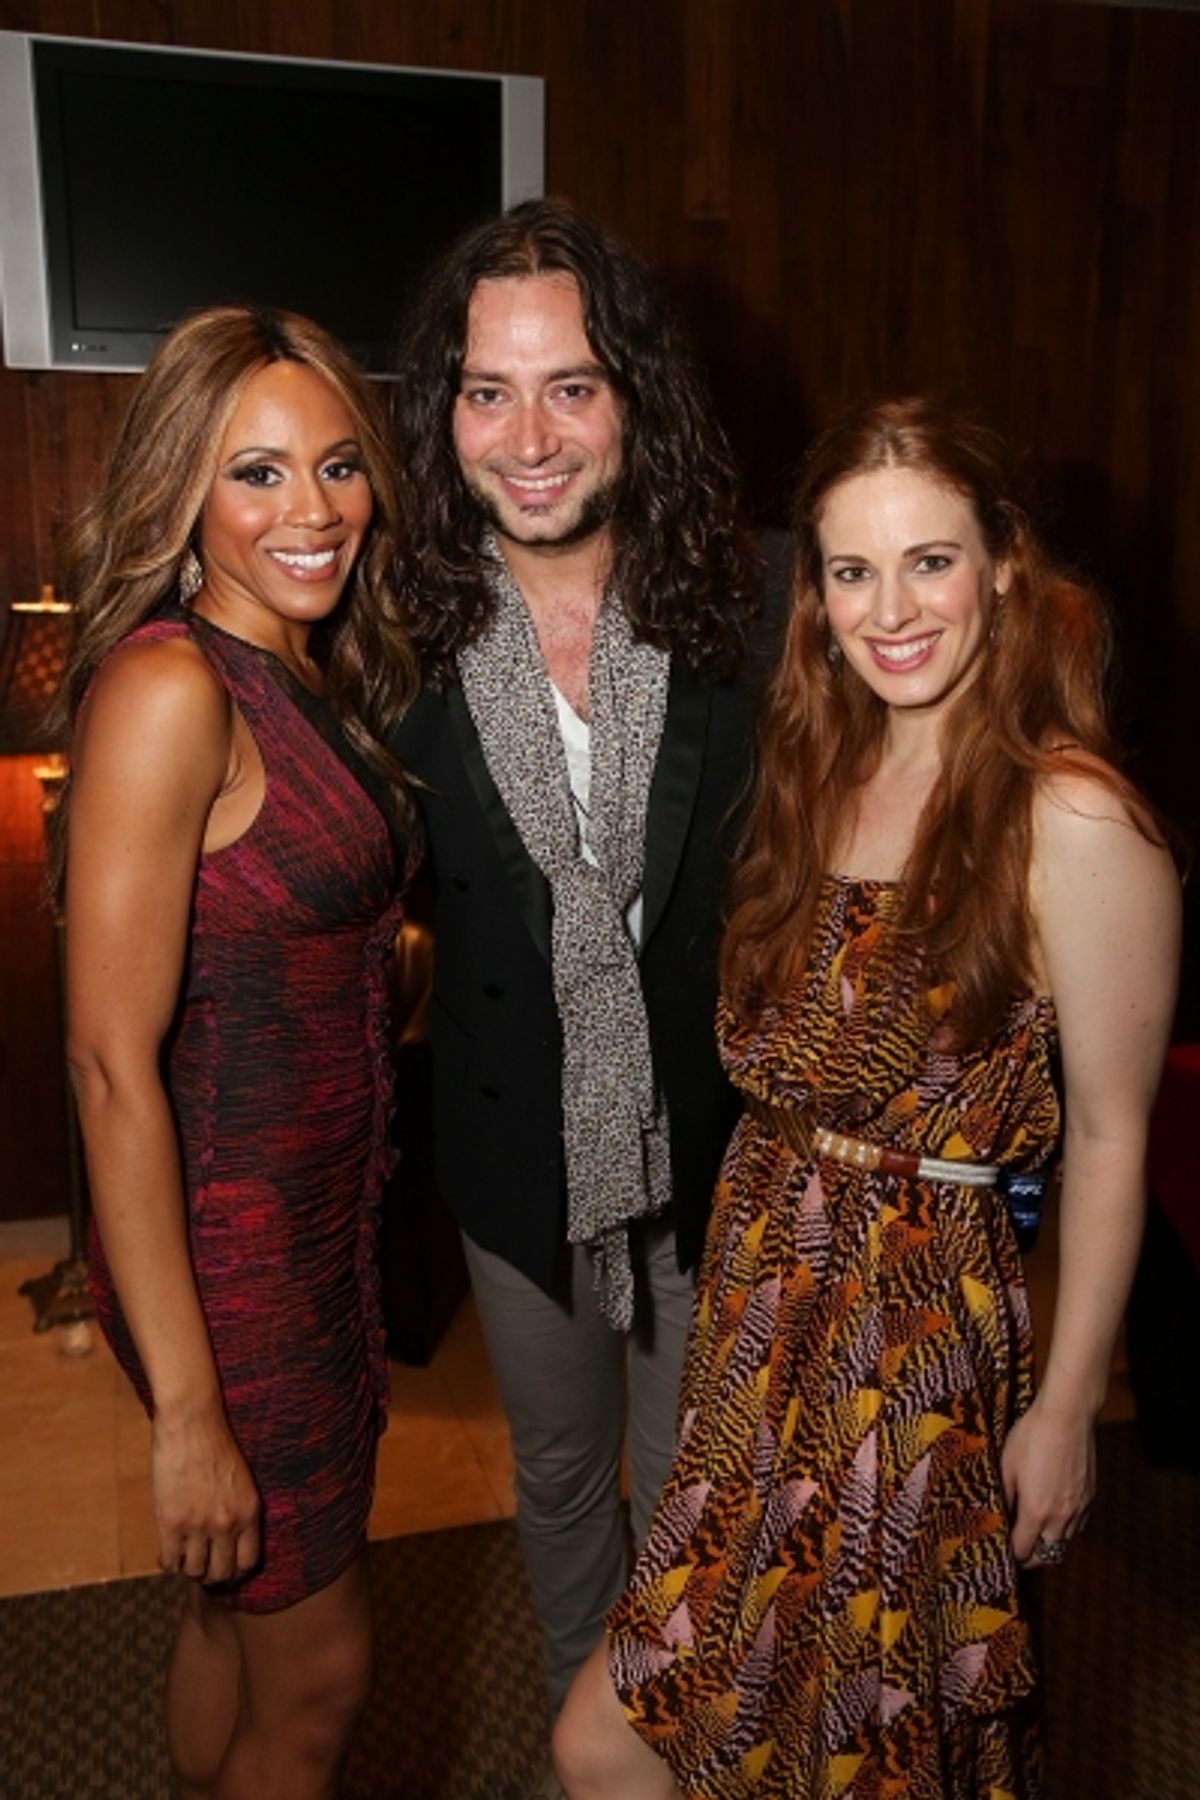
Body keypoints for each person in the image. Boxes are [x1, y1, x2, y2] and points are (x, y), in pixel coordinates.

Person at [553, 396, 1181, 1798]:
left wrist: (1068, 1407)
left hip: (914, 1350)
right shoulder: (825, 766)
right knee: (639, 1738)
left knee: (839, 1750)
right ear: (814, 595)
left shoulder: (1071, 814)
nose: (890, 609)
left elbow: (1118, 1139)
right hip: (767, 1307)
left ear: (1004, 565)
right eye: (851, 571)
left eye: (930, 562)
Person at [387, 197, 776, 1723]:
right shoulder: (391, 632)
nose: (529, 435)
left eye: (572, 386)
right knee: (559, 1481)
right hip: (510, 1145)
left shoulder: (762, 600)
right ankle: (584, 1747)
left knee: (697, 1483)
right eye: (489, 391)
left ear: (636, 402)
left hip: (723, 1139)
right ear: (446, 414)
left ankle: (674, 1741)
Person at [57, 304, 419, 1799]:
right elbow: (104, 1066)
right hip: (232, 1268)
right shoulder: (172, 688)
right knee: (320, 1675)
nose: (314, 510)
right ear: (182, 493)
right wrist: (194, 1418)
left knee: (231, 1620)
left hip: (309, 1234)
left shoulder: (294, 665)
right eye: (256, 473)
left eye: (339, 466)